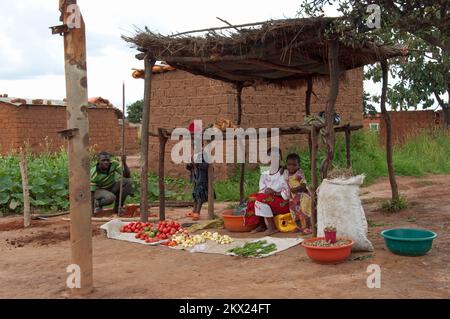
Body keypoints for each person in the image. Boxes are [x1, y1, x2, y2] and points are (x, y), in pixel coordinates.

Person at [246, 147, 290, 235]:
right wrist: (266, 193)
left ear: (280, 158)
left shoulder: (284, 172)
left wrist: (274, 192)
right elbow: (261, 189)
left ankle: (272, 227)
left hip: (282, 202)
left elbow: (288, 193)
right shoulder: (264, 172)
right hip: (268, 199)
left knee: (261, 199)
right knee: (253, 198)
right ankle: (261, 225)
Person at [284, 153, 312, 234]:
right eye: (289, 165)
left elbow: (304, 185)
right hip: (293, 198)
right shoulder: (287, 173)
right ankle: (299, 227)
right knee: (294, 212)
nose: (291, 167)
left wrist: (295, 189)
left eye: (294, 165)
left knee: (305, 211)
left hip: (303, 196)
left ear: (299, 165)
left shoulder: (299, 173)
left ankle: (308, 227)